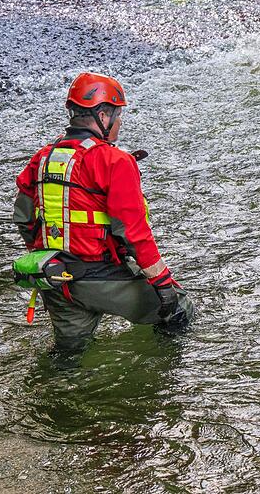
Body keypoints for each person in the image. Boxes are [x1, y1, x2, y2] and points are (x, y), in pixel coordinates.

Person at [13, 72, 194, 352]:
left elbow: (24, 218)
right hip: (100, 275)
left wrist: (43, 255)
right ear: (103, 115)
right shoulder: (114, 161)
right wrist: (163, 283)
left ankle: (60, 389)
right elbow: (133, 232)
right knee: (180, 308)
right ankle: (164, 381)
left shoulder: (42, 158)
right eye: (118, 115)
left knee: (68, 355)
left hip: (54, 277)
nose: (119, 123)